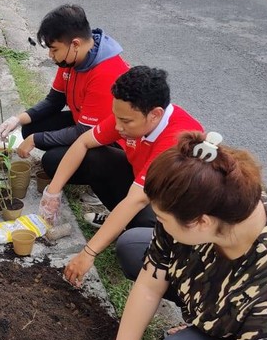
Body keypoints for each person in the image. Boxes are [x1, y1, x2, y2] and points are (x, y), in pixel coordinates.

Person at [69, 132, 267, 340]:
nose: (159, 224)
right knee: (133, 246)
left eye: (162, 218)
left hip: (265, 332)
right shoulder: (212, 199)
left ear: (200, 223)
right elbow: (149, 282)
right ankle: (204, 322)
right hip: (217, 289)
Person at [39, 66, 203, 287]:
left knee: (130, 242)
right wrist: (53, 192)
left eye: (125, 121)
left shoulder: (176, 140)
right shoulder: (131, 116)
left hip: (172, 213)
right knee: (60, 159)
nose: (118, 126)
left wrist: (88, 252)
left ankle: (134, 234)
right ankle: (119, 223)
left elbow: (137, 199)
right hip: (141, 187)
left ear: (155, 115)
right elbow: (83, 141)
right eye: (117, 117)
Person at [0, 4, 129, 189]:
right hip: (83, 124)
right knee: (30, 127)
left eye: (54, 49)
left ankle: (96, 180)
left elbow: (84, 132)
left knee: (52, 161)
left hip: (110, 142)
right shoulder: (71, 60)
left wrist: (36, 140)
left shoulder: (105, 72)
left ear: (75, 44)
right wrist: (16, 119)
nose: (51, 56)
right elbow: (54, 101)